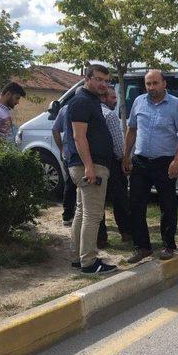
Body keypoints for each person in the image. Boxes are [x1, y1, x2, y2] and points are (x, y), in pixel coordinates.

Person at [123, 69, 178, 264]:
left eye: (155, 83)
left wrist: (177, 161)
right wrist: (125, 156)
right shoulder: (138, 102)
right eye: (148, 84)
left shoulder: (176, 105)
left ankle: (168, 245)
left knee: (167, 206)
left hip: (165, 162)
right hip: (140, 161)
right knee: (136, 205)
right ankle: (142, 247)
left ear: (164, 84)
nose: (151, 87)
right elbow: (132, 130)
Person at [65, 64, 117, 274]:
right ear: (86, 79)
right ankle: (89, 262)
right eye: (98, 79)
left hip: (89, 165)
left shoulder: (91, 101)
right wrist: (89, 167)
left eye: (106, 81)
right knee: (93, 215)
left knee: (81, 212)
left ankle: (77, 257)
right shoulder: (81, 101)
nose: (103, 84)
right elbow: (79, 136)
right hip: (90, 166)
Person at [97, 86, 132, 247]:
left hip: (96, 163)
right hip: (112, 163)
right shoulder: (110, 116)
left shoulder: (92, 112)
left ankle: (101, 238)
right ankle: (126, 233)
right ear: (104, 98)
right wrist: (125, 159)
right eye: (113, 98)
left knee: (98, 203)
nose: (115, 101)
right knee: (120, 201)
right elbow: (118, 145)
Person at [52, 104, 77, 226]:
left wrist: (61, 148)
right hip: (80, 154)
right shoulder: (89, 105)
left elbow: (55, 129)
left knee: (70, 184)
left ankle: (67, 216)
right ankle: (77, 216)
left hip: (68, 153)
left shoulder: (65, 109)